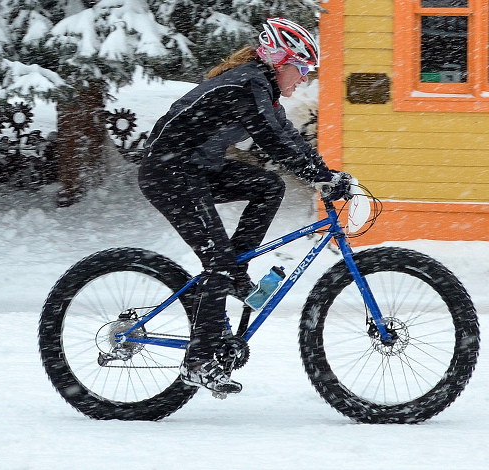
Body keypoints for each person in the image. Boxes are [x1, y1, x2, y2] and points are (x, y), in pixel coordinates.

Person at [138, 18, 351, 395]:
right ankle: (199, 360)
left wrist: (326, 173)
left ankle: (234, 274)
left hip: (197, 169)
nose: (303, 79)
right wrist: (318, 176)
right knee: (216, 260)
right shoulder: (247, 83)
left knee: (268, 185)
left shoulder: (260, 88)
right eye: (301, 69)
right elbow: (270, 140)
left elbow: (286, 136)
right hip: (170, 172)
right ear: (279, 60)